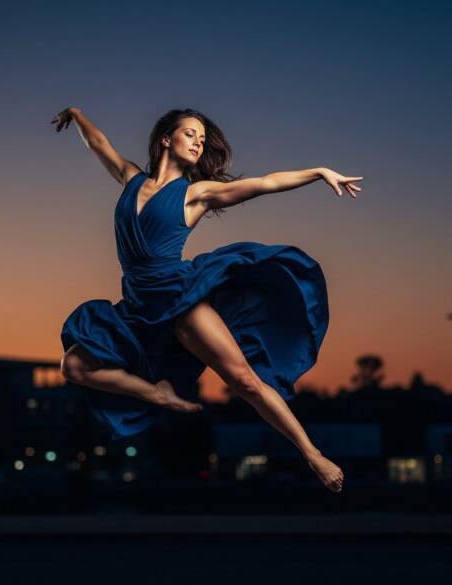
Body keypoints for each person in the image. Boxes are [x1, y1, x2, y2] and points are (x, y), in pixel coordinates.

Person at [53, 107, 362, 492]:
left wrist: (318, 172)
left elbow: (264, 183)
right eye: (191, 134)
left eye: (203, 138)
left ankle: (311, 453)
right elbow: (99, 143)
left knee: (244, 381)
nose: (199, 142)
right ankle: (157, 394)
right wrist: (77, 114)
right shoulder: (130, 178)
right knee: (73, 365)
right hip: (137, 308)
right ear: (166, 138)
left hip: (180, 300)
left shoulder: (196, 194)